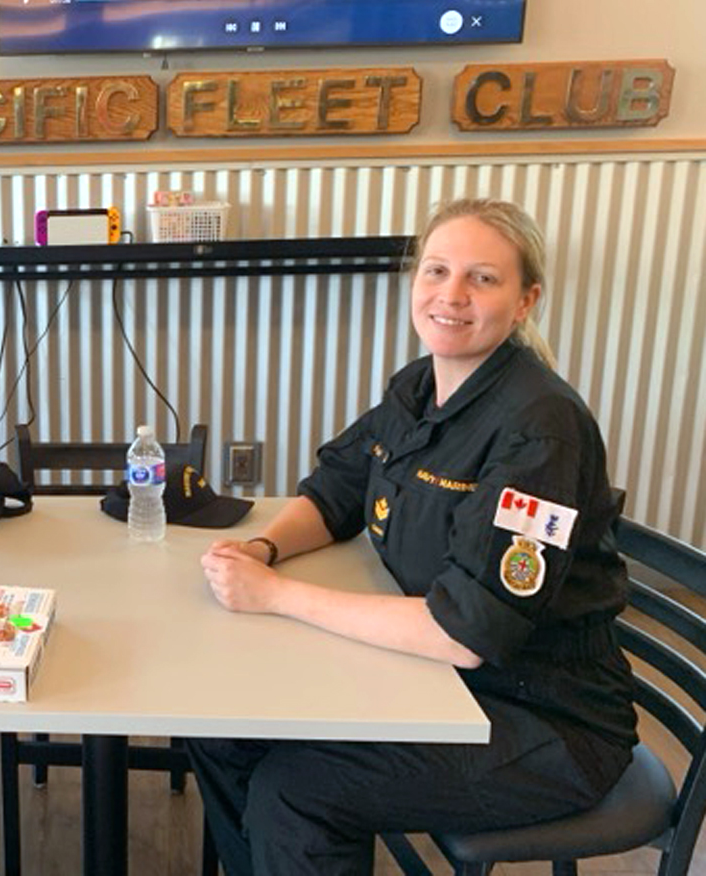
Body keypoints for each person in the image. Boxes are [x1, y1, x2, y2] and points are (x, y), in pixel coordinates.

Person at [191, 199, 637, 876]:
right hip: (435, 678)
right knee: (220, 730)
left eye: (482, 278)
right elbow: (340, 484)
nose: (451, 295)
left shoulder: (540, 427)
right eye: (436, 271)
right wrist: (263, 550)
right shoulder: (420, 385)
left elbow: (467, 632)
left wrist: (276, 595)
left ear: (525, 301)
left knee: (299, 791)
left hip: (543, 720)